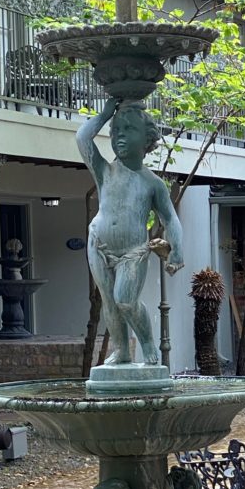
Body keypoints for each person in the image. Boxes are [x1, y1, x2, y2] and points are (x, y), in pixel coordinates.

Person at [77, 97, 184, 366]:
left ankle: (147, 343)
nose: (120, 136)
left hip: (133, 252)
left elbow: (170, 218)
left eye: (129, 130)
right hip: (98, 245)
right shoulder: (104, 171)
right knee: (109, 302)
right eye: (116, 131)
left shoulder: (152, 183)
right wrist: (103, 115)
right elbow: (82, 140)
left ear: (147, 140)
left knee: (125, 299)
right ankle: (121, 350)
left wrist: (177, 250)